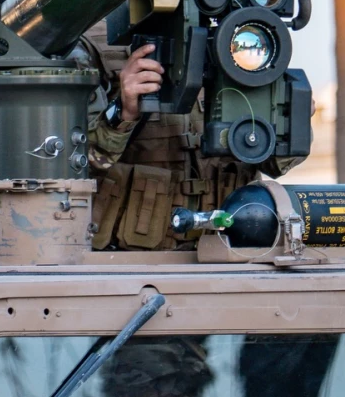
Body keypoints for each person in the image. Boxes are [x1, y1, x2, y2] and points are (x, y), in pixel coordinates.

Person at [76, 20, 305, 397]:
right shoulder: (97, 40)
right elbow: (68, 160)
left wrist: (289, 118)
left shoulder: (244, 35)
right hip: (136, 285)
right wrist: (122, 107)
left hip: (224, 277)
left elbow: (276, 159)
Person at [79, 20, 302, 251]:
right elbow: (72, 165)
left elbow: (278, 164)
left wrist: (290, 126)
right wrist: (123, 112)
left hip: (231, 248)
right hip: (130, 255)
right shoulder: (92, 42)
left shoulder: (247, 35)